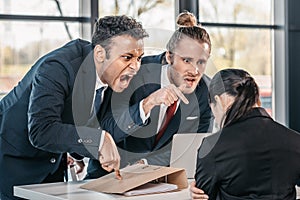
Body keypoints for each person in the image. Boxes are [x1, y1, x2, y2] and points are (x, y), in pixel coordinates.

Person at [0, 15, 148, 200]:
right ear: (100, 54)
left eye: (139, 58)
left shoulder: (113, 76)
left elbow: (83, 120)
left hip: (52, 162)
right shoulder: (57, 67)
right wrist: (100, 140)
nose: (135, 66)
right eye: (128, 57)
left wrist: (79, 153)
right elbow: (42, 130)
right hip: (13, 159)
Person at [85, 12, 213, 179]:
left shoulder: (205, 90)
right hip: (109, 175)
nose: (195, 71)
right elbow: (108, 128)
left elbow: (195, 147)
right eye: (187, 60)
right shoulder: (134, 72)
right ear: (169, 56)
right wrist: (147, 104)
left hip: (159, 178)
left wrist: (145, 164)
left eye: (201, 62)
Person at [192, 68, 300, 200]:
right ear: (257, 100)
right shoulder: (295, 140)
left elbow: (204, 195)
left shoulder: (212, 146)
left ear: (218, 100)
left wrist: (196, 193)